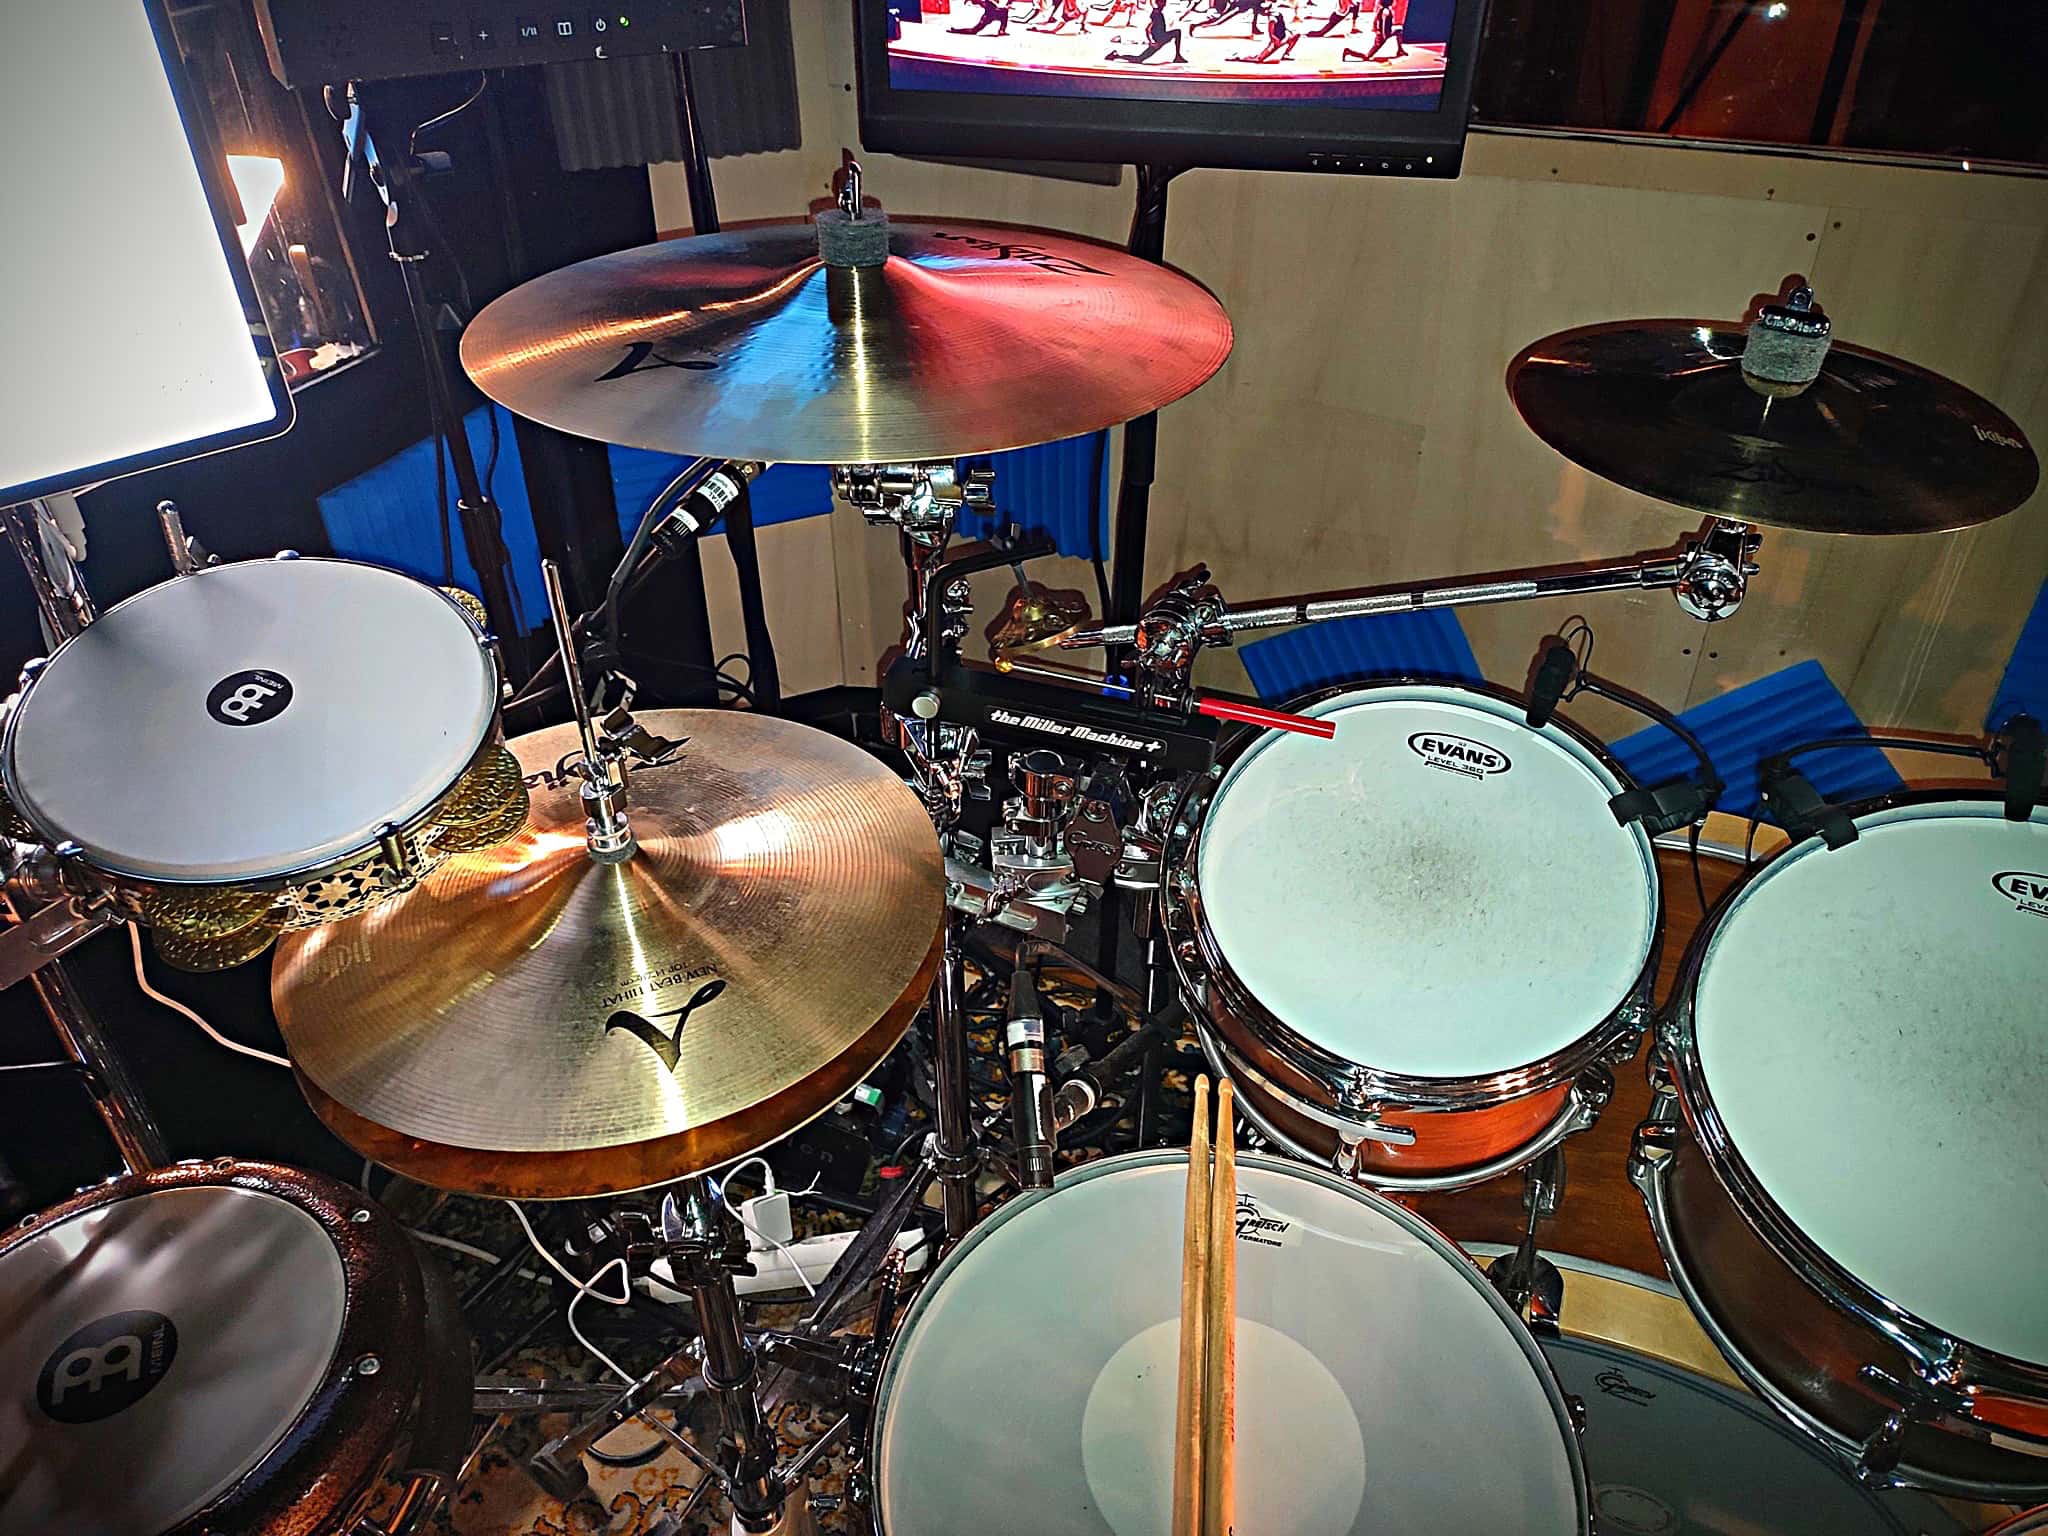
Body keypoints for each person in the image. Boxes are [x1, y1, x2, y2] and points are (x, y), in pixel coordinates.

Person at [1107, 0, 1186, 60]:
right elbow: (1148, 29)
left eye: (1164, 1)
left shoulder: (1159, 12)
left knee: (1177, 32)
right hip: (1158, 39)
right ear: (1158, 3)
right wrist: (1152, 42)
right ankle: (1116, 55)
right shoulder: (1156, 13)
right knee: (1139, 59)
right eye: (1162, 1)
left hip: (1162, 37)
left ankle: (1177, 56)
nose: (1164, 3)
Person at [1232, 5, 1298, 60]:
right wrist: (1275, 40)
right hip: (1279, 39)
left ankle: (1286, 53)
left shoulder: (1273, 17)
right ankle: (1240, 57)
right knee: (1260, 58)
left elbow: (1273, 32)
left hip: (1280, 38)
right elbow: (1272, 33)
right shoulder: (1276, 15)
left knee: (1259, 58)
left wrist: (1276, 39)